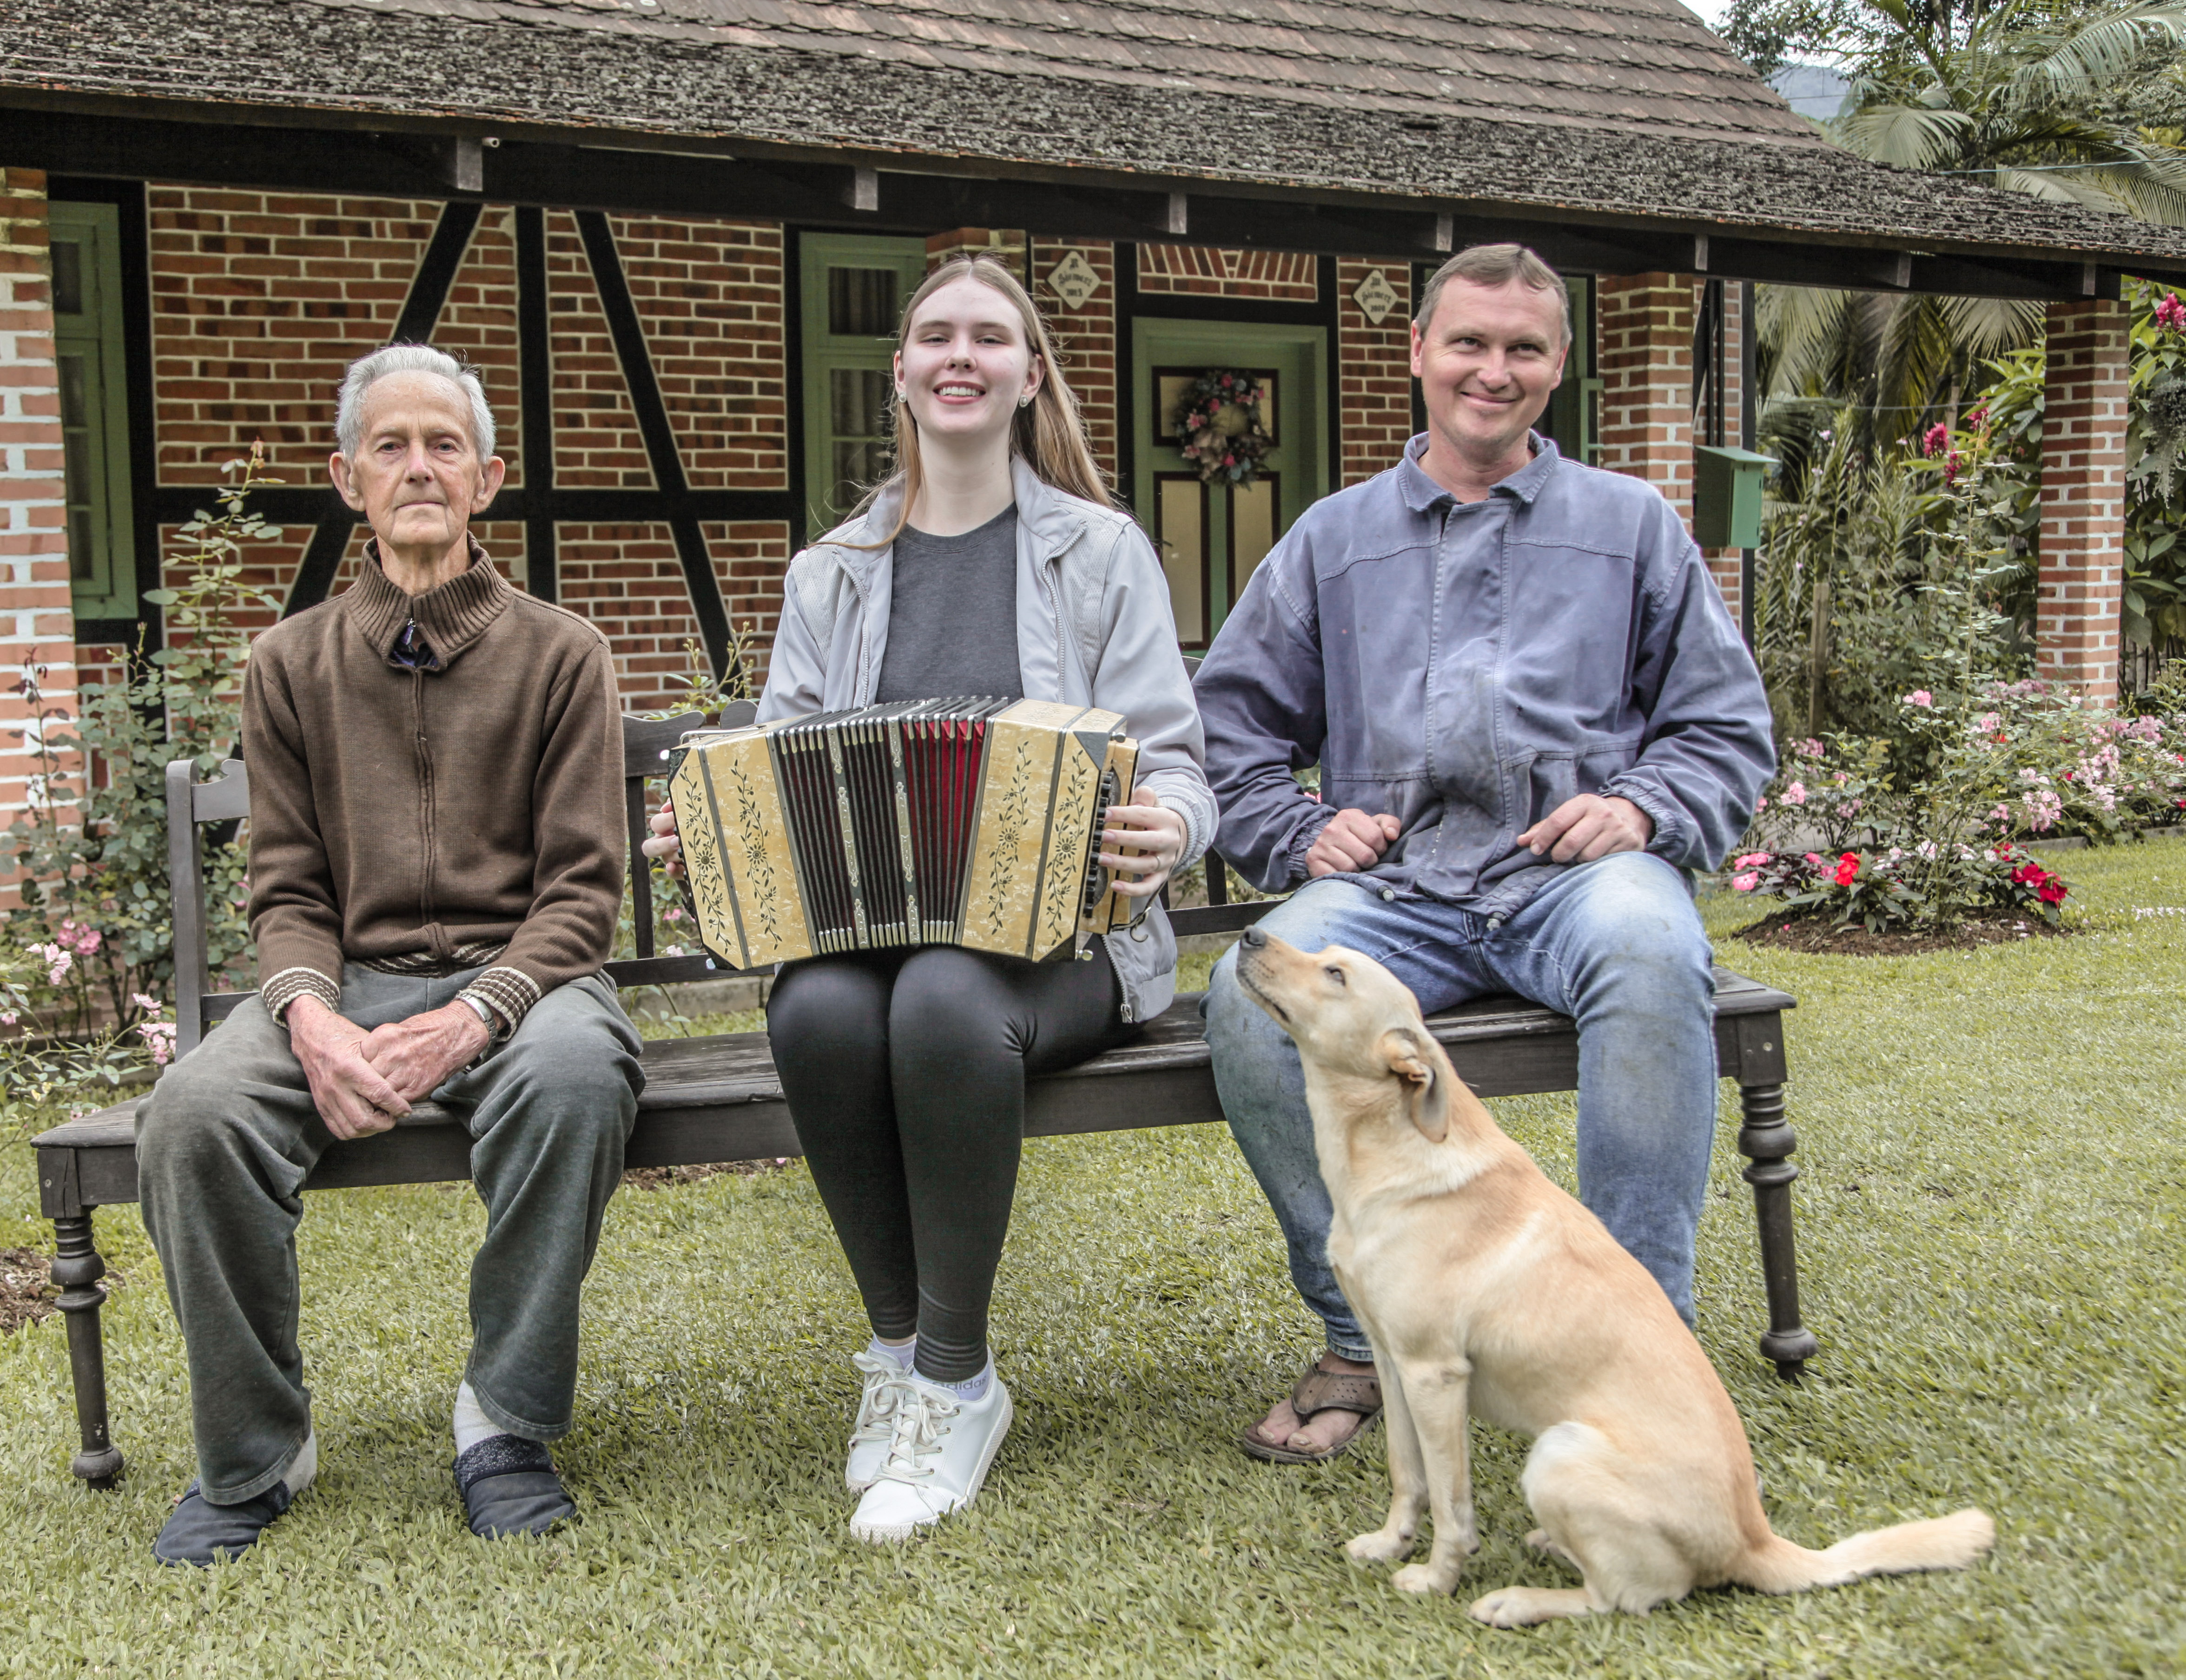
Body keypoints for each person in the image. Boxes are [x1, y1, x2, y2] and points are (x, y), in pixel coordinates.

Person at [645, 255, 1214, 1542]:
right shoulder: (832, 570)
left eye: (990, 340)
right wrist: (718, 828)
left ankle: (959, 1381)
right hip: (869, 931)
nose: (962, 357)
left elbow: (1175, 760)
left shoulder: (1098, 552)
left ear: (1027, 377)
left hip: (1062, 939)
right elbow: (778, 761)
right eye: (936, 338)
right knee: (818, 1014)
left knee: (948, 998)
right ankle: (903, 1357)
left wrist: (1167, 826)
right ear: (900, 373)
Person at [1194, 244, 1777, 1467]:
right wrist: (1299, 830)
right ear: (1418, 352)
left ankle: (1636, 1335)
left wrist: (1642, 811)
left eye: (1523, 349)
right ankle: (1363, 1334)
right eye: (1468, 343)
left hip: (1570, 879)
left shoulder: (1631, 528)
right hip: (1393, 891)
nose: (1491, 371)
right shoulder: (1332, 540)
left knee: (1650, 942)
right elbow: (1230, 727)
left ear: (1558, 367)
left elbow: (1724, 726)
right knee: (1249, 999)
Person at [135, 344, 642, 1565]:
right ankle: (259, 1454)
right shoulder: (288, 664)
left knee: (576, 1080)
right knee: (193, 1115)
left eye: (445, 445)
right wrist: (311, 1019)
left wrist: (478, 1016)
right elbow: (289, 887)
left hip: (527, 985)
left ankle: (504, 1423)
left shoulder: (563, 655)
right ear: (348, 479)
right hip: (342, 984)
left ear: (488, 479)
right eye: (392, 447)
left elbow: (582, 893)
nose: (420, 467)